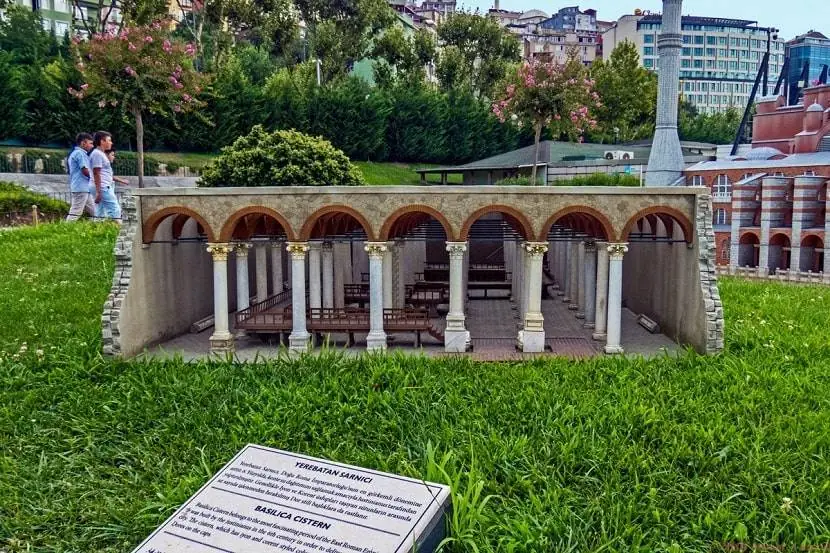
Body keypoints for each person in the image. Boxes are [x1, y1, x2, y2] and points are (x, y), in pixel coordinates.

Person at [89, 131, 122, 222]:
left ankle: (97, 229)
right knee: (115, 209)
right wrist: (99, 192)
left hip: (102, 186)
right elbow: (96, 173)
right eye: (109, 140)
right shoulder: (97, 154)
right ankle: (117, 229)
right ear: (102, 141)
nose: (111, 143)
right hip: (103, 186)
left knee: (100, 211)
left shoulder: (100, 154)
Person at [65, 132, 95, 221]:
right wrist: (96, 178)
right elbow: (85, 171)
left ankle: (99, 229)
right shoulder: (80, 153)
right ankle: (65, 229)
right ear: (83, 143)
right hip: (81, 188)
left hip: (83, 188)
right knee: (75, 212)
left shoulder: (77, 153)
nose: (92, 146)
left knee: (96, 212)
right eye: (90, 143)